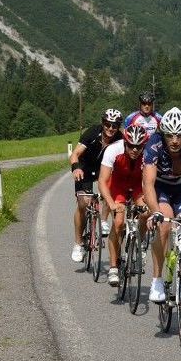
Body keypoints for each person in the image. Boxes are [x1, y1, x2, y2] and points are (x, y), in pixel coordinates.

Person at [142, 107, 181, 303]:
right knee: (164, 224)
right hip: (160, 187)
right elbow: (148, 183)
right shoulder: (153, 144)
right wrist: (154, 212)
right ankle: (157, 279)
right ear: (163, 134)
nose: (175, 140)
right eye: (170, 135)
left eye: (179, 135)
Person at [98, 125, 149, 287]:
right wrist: (112, 204)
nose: (135, 150)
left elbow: (151, 182)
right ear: (125, 142)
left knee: (146, 213)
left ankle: (139, 243)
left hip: (138, 186)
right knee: (119, 222)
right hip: (118, 186)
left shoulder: (148, 154)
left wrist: (149, 201)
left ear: (143, 145)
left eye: (138, 146)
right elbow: (102, 181)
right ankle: (113, 266)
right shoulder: (113, 150)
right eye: (131, 145)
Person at [69, 108, 123, 262]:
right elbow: (75, 154)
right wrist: (76, 168)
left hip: (104, 169)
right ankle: (78, 243)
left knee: (110, 193)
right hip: (85, 168)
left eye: (114, 125)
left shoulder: (120, 138)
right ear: (102, 123)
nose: (110, 128)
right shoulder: (92, 133)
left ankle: (104, 221)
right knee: (83, 203)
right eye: (107, 124)